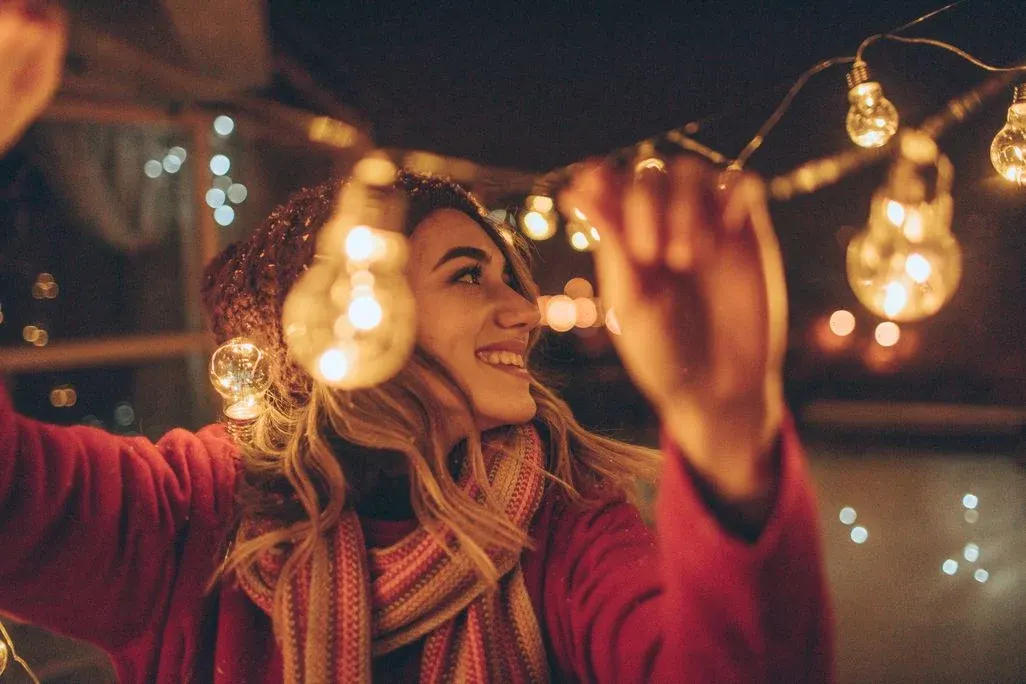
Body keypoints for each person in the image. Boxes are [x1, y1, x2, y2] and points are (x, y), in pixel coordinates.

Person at [0, 4, 832, 683]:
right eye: (471, 275)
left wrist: (728, 422)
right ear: (339, 306)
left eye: (512, 276)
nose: (527, 311)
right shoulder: (192, 515)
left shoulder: (566, 525)